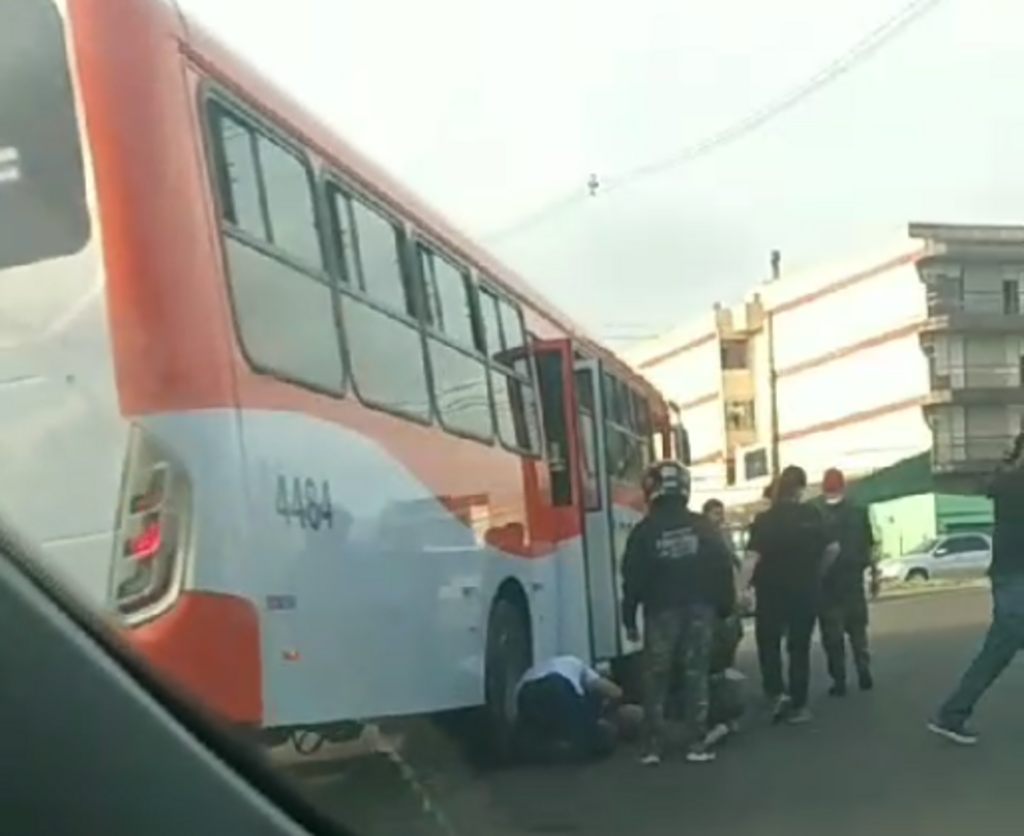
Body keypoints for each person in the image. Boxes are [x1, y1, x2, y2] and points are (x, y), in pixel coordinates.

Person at [621, 459, 736, 765]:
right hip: (700, 609)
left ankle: (653, 747)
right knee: (696, 673)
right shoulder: (703, 526)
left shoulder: (644, 531)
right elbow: (722, 566)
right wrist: (725, 606)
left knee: (656, 677)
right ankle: (696, 743)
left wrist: (628, 618)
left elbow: (632, 577)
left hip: (660, 611)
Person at [928, 432, 1024, 745]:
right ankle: (952, 713)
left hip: (1009, 577)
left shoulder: (1005, 479)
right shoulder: (1013, 481)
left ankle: (953, 713)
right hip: (1016, 580)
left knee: (998, 650)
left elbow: (990, 485)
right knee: (998, 650)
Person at [746, 464, 838, 724]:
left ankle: (776, 693)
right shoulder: (812, 514)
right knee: (799, 647)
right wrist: (818, 572)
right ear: (801, 488)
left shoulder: (764, 520)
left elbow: (751, 558)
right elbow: (833, 548)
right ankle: (799, 704)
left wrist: (741, 589)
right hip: (805, 590)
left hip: (771, 592)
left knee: (769, 644)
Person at [817, 467, 877, 696]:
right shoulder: (858, 512)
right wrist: (874, 575)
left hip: (828, 583)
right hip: (854, 580)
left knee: (833, 637)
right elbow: (870, 546)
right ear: (844, 485)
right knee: (858, 632)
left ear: (823, 487)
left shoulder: (817, 514)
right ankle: (863, 670)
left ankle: (839, 680)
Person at [514, 654, 631, 763]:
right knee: (597, 740)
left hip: (525, 693)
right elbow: (613, 691)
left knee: (541, 732)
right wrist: (612, 709)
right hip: (556, 685)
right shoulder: (583, 668)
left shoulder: (554, 665)